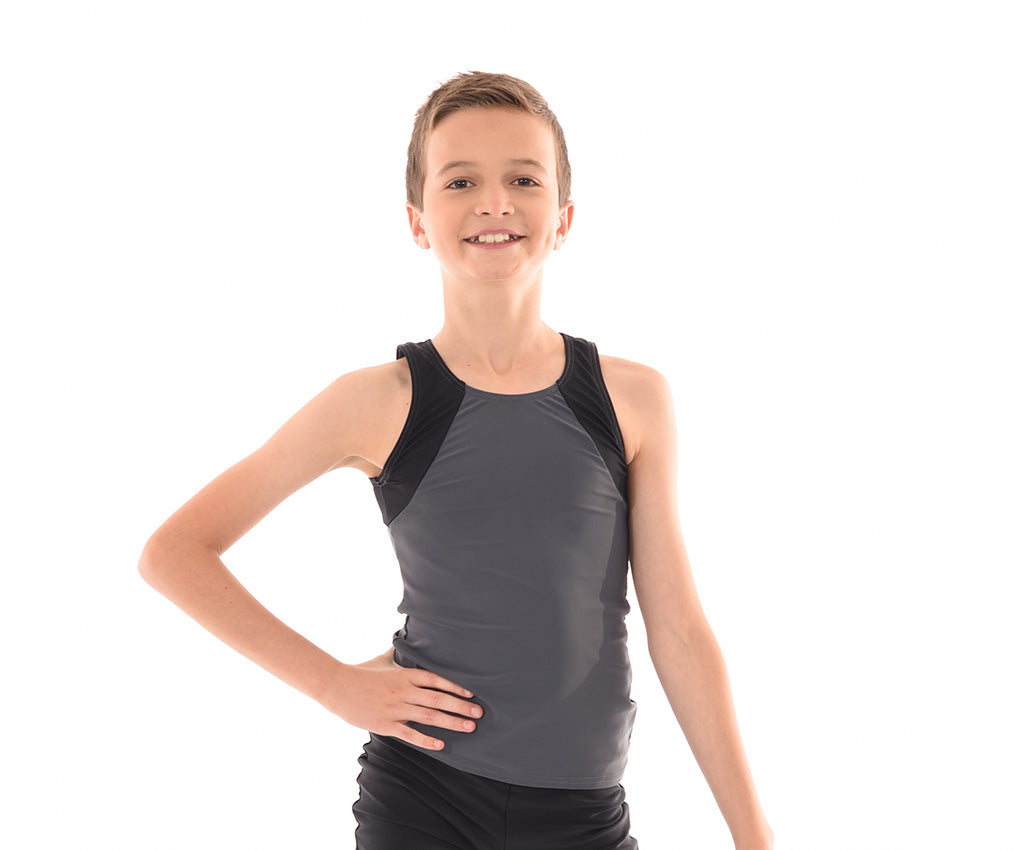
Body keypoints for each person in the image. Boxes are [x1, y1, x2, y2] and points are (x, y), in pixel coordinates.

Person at [139, 71, 773, 850]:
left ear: (564, 218)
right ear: (418, 220)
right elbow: (174, 552)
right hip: (424, 798)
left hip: (584, 814)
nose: (494, 202)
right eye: (461, 181)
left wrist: (754, 836)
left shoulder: (633, 399)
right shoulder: (376, 401)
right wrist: (335, 685)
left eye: (524, 179)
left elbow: (677, 630)